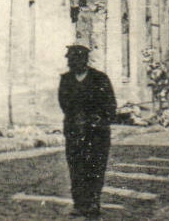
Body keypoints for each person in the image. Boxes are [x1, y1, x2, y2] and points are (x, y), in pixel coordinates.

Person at [58, 43, 116, 220]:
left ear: (85, 60)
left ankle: (93, 202)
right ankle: (79, 203)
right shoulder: (66, 80)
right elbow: (64, 103)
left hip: (97, 134)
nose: (73, 63)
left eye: (77, 59)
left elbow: (110, 105)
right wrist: (76, 118)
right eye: (70, 60)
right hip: (75, 132)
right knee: (76, 168)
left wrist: (100, 118)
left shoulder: (100, 79)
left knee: (95, 167)